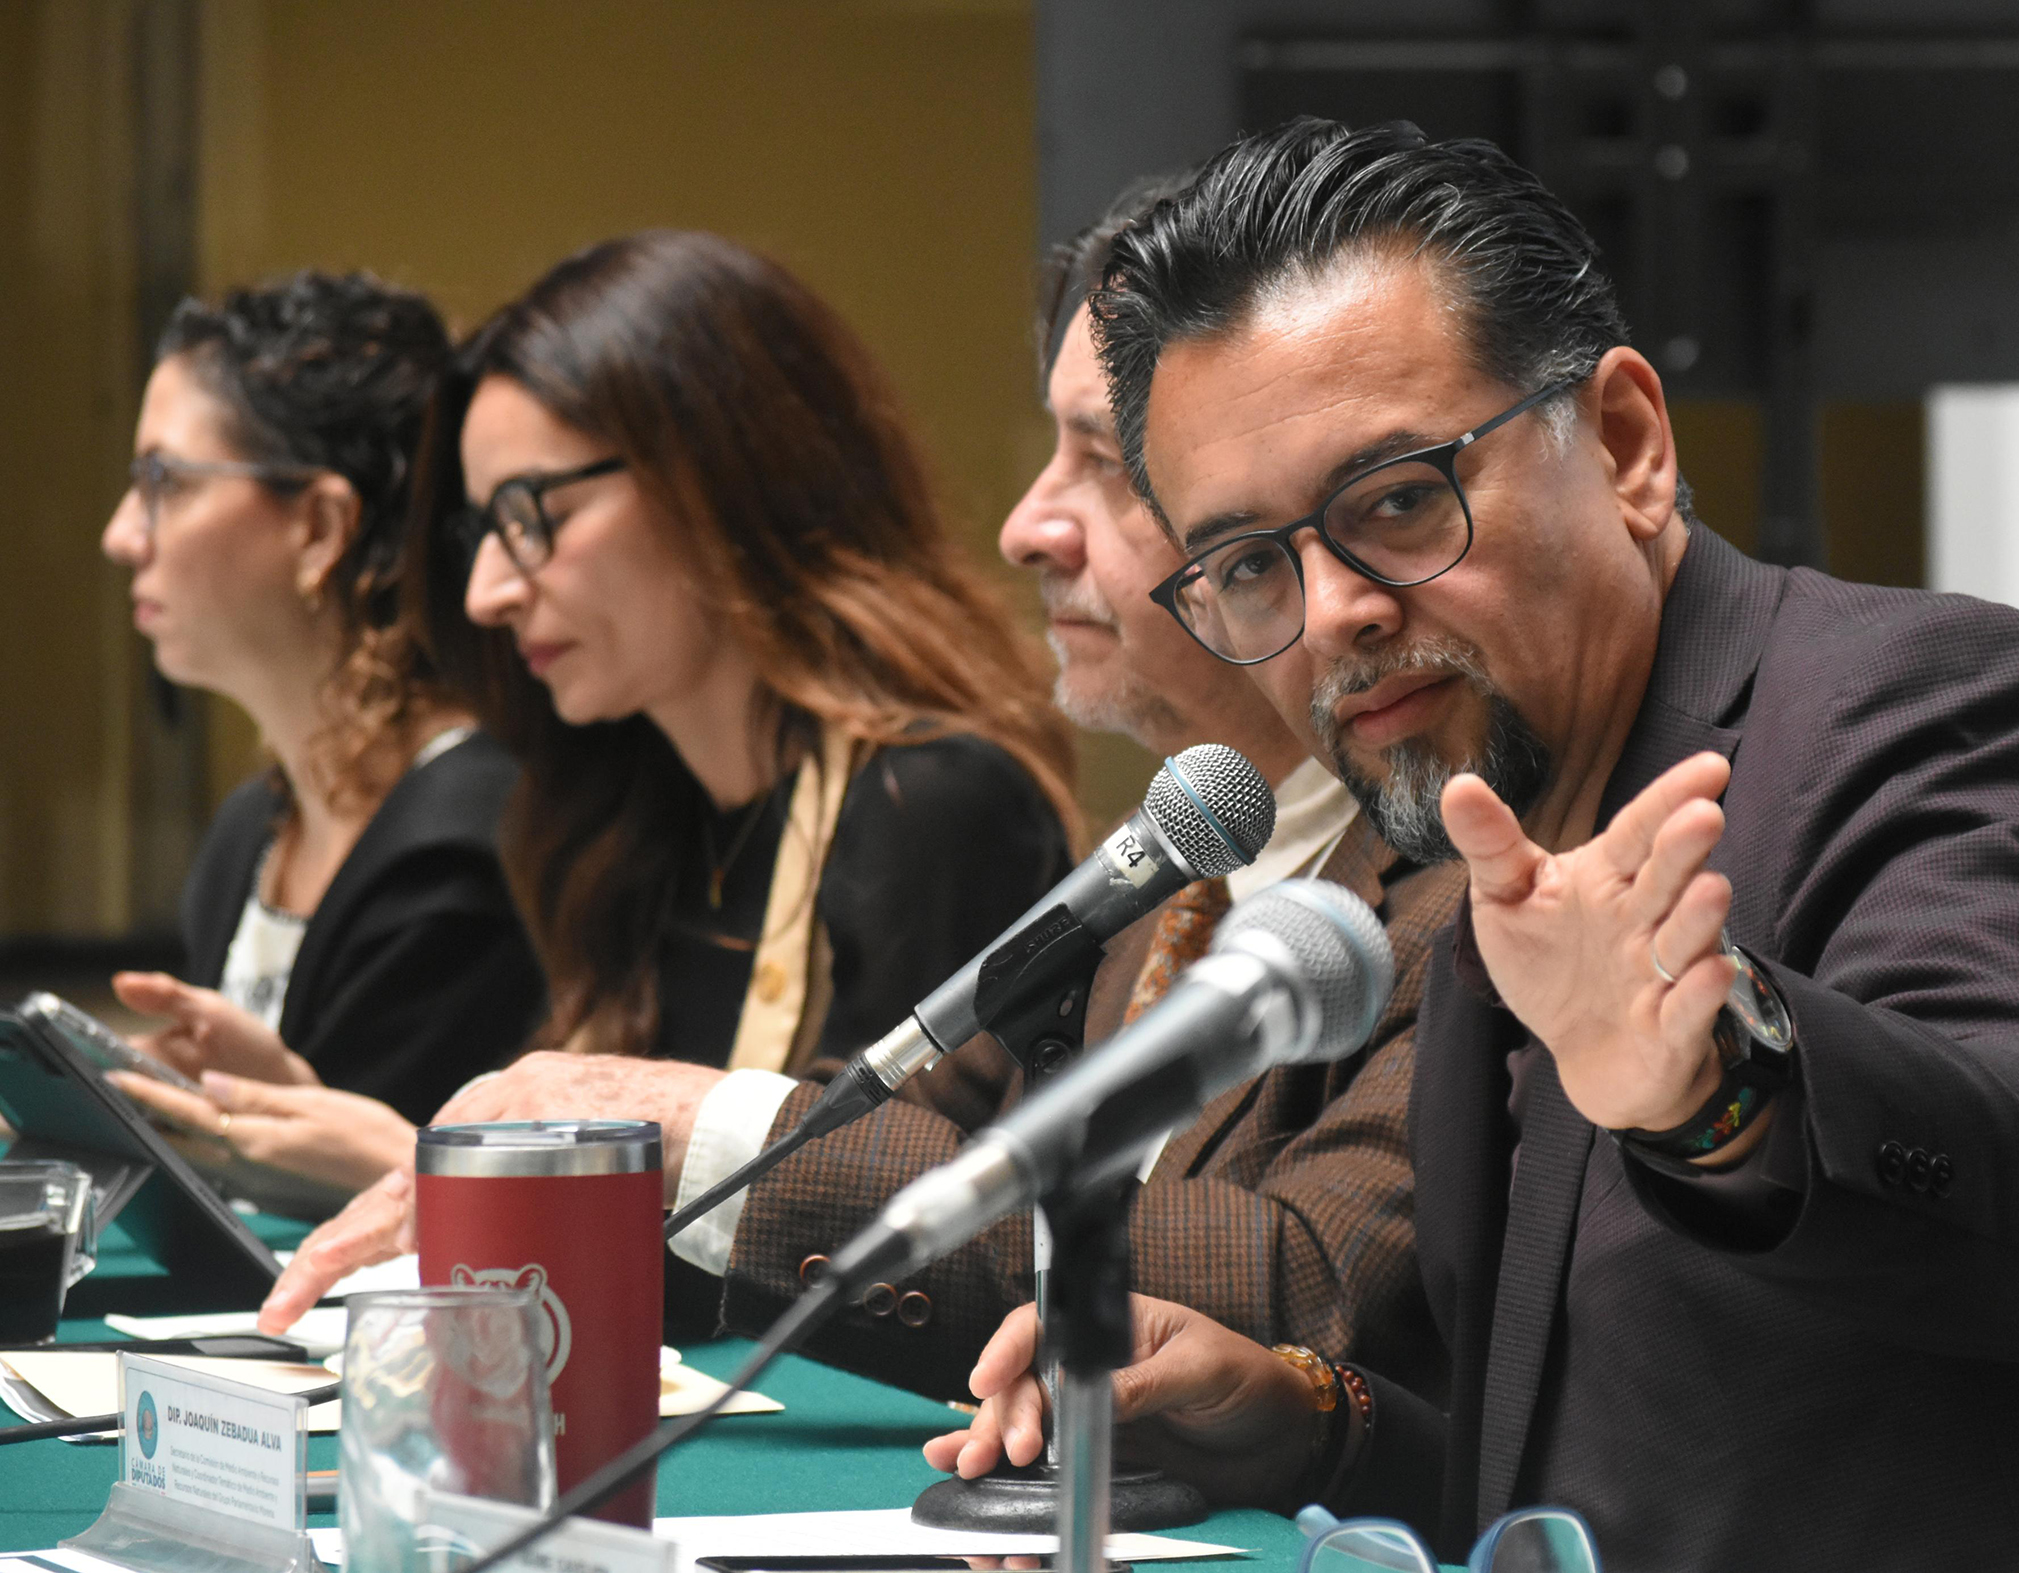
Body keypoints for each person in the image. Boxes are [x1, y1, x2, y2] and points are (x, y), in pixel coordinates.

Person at [923, 117, 2019, 1570]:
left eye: (1397, 501)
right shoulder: (1493, 852)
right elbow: (1596, 1483)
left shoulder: (1925, 704)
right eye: (1251, 565)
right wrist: (1309, 1422)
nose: (1333, 613)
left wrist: (1719, 1083)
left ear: (1627, 445)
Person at [261, 201, 1462, 1404]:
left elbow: (1305, 1291)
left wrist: (676, 1126)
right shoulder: (1170, 856)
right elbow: (914, 1137)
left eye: (1107, 462)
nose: (1024, 527)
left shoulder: (1455, 870)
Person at [249, 225, 1076, 1299]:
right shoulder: (618, 807)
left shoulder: (934, 803)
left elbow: (892, 1261)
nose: (487, 593)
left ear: (717, 474)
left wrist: (439, 1167)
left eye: (533, 514)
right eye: (480, 531)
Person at [97, 272, 543, 1203]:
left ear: (319, 525)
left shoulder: (467, 841)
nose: (121, 534)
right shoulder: (248, 832)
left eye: (162, 482)